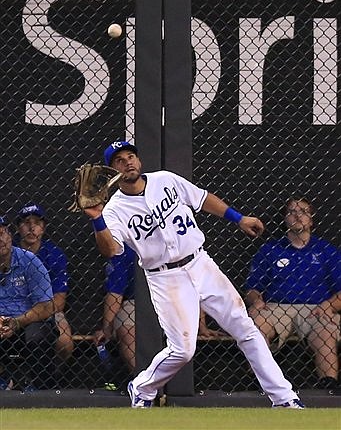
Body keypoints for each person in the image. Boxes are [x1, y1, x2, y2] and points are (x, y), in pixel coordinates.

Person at [82, 140, 304, 409]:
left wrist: (238, 218)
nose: (128, 162)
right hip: (165, 277)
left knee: (246, 329)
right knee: (183, 350)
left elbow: (201, 198)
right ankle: (142, 386)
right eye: (119, 160)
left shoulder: (165, 180)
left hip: (200, 263)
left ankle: (283, 398)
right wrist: (97, 218)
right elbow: (111, 250)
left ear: (139, 161)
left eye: (131, 156)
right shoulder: (114, 210)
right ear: (112, 170)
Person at [245, 197, 341, 390]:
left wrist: (330, 305)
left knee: (326, 332)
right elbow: (252, 288)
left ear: (311, 220)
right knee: (256, 325)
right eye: (291, 212)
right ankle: (260, 385)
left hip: (316, 308)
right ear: (285, 219)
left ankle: (329, 387)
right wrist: (256, 302)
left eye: (304, 211)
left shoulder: (326, 251)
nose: (297, 215)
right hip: (276, 307)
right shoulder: (270, 249)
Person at [0, 215, 56, 391]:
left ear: (10, 236)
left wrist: (17, 322)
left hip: (28, 320)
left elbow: (47, 306)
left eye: (3, 233)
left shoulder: (29, 260)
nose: (1, 239)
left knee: (38, 335)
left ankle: (40, 387)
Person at [15, 203, 74, 367]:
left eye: (37, 223)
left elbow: (59, 300)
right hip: (10, 308)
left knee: (65, 342)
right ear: (18, 227)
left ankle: (48, 379)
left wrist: (35, 314)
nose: (31, 228)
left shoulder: (54, 254)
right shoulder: (7, 252)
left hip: (46, 309)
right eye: (26, 222)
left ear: (44, 228)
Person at [94, 243, 136, 376]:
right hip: (133, 302)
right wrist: (107, 327)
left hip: (165, 301)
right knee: (126, 331)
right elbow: (115, 292)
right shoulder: (125, 249)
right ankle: (146, 385)